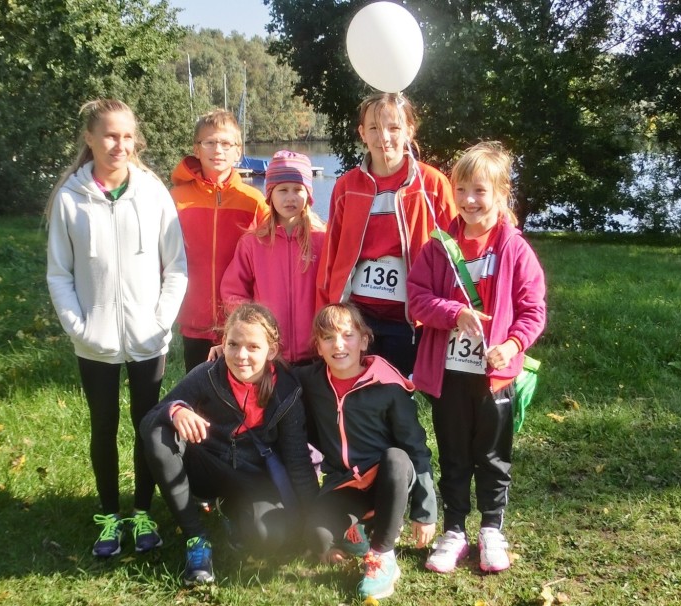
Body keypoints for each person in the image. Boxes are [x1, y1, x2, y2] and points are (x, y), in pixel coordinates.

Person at [46, 98, 188, 558]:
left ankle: (143, 511)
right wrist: (78, 328)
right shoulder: (71, 198)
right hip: (96, 342)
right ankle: (109, 516)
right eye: (109, 135)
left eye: (127, 136)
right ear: (89, 139)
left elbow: (177, 268)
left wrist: (160, 322)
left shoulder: (152, 193)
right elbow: (59, 274)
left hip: (148, 340)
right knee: (103, 426)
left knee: (147, 426)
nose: (119, 145)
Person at [407, 141, 547, 574]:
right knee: (452, 453)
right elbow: (416, 299)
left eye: (480, 191)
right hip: (448, 372)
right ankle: (454, 530)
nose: (469, 200)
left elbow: (533, 310)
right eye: (462, 189)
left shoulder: (515, 249)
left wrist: (512, 345)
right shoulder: (438, 246)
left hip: (495, 377)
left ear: (501, 194)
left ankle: (491, 528)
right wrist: (454, 314)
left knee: (491, 455)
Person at [140, 303, 319, 586]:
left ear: (271, 351)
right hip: (206, 466)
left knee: (270, 539)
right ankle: (196, 539)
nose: (241, 356)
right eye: (233, 344)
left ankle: (232, 510)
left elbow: (298, 460)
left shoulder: (287, 391)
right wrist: (176, 410)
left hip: (250, 477)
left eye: (253, 347)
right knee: (158, 432)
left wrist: (313, 521)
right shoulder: (208, 373)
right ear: (222, 343)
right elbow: (150, 418)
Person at [295, 303, 437, 601]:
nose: (339, 345)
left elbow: (416, 449)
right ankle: (360, 528)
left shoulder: (388, 385)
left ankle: (382, 555)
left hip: (388, 479)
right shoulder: (310, 380)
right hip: (344, 483)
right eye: (328, 338)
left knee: (396, 457)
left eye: (348, 335)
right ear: (318, 347)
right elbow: (268, 369)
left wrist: (425, 511)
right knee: (318, 539)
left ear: (364, 340)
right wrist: (221, 351)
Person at [315, 93, 456, 377]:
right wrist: (326, 312)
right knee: (358, 394)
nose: (384, 137)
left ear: (409, 131)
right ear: (362, 134)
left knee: (400, 395)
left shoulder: (433, 185)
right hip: (357, 315)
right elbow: (332, 253)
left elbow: (455, 253)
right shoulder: (346, 186)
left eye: (393, 127)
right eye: (374, 128)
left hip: (411, 318)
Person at [170, 109, 268, 373]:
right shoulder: (176, 198)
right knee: (200, 389)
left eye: (226, 144)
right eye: (209, 142)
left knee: (240, 392)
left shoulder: (253, 200)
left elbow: (274, 248)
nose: (218, 150)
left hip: (240, 319)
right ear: (196, 149)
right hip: (194, 317)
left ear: (238, 151)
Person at [221, 150, 326, 365]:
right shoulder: (252, 243)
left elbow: (335, 290)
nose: (290, 197)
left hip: (317, 354)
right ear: (270, 194)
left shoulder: (322, 239)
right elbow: (233, 291)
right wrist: (255, 326)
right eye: (282, 190)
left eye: (298, 189)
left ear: (308, 194)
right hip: (269, 354)